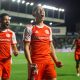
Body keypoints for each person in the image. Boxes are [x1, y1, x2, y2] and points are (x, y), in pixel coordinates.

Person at [23, 6, 63, 80]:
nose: (42, 12)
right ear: (34, 14)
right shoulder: (29, 28)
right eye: (39, 10)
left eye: (43, 10)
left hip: (48, 62)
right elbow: (26, 47)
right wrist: (30, 63)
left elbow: (51, 46)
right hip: (36, 62)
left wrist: (56, 61)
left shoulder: (48, 29)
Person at [0, 13, 18, 80]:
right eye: (5, 19)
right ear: (0, 21)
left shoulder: (11, 33)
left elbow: (14, 45)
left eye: (8, 20)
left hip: (7, 61)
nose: (7, 21)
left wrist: (15, 51)